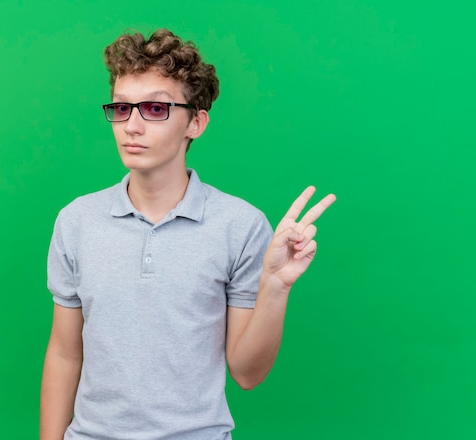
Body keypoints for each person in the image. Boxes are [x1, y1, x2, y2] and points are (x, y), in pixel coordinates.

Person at [40, 29, 336, 440]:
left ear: (195, 123)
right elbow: (65, 353)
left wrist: (275, 286)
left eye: (155, 109)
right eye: (122, 109)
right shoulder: (77, 220)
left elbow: (248, 373)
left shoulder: (241, 225)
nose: (133, 126)